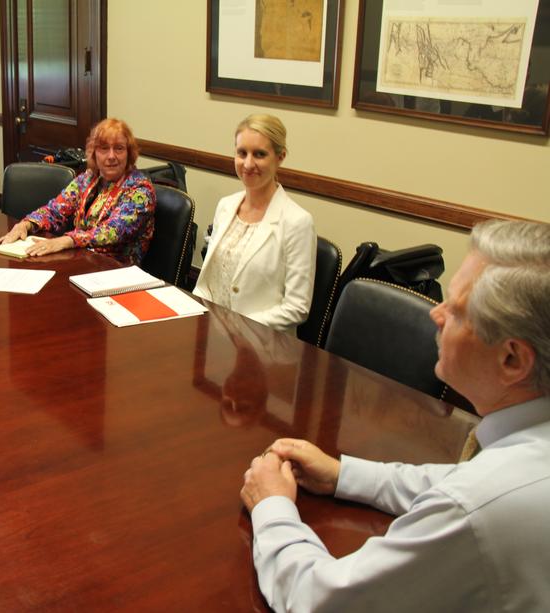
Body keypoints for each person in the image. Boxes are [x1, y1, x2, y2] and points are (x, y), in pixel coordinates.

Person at [240, 219, 550, 612]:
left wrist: (271, 506)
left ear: (512, 358)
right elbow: (455, 480)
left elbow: (319, 600)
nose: (435, 315)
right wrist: (342, 475)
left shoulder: (477, 506)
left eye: (455, 311)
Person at [193, 115, 315, 333]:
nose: (248, 164)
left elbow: (297, 308)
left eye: (259, 154)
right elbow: (210, 280)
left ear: (280, 157)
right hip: (211, 334)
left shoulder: (298, 222)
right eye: (242, 153)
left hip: (263, 346)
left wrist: (236, 327)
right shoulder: (226, 206)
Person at [0, 118, 155, 265]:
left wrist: (67, 240)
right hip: (82, 262)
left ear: (129, 153)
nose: (111, 156)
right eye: (104, 149)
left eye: (119, 148)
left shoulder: (140, 190)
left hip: (117, 273)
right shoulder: (88, 178)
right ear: (94, 153)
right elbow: (55, 210)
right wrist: (27, 224)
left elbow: (112, 231)